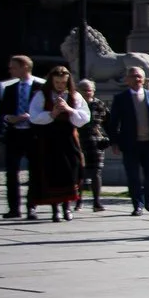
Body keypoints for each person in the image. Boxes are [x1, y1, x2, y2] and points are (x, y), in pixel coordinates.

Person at [25, 65, 92, 221]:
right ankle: (55, 209)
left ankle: (67, 207)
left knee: (71, 171)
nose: (60, 85)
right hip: (49, 140)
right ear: (52, 81)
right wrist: (52, 113)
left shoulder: (74, 96)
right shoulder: (42, 95)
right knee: (53, 173)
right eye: (57, 82)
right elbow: (34, 117)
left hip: (68, 139)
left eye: (63, 82)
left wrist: (69, 109)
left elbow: (84, 118)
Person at [106, 66, 149, 214]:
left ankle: (148, 200)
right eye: (133, 76)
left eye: (139, 76)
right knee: (133, 175)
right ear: (127, 80)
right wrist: (114, 142)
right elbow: (113, 123)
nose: (137, 79)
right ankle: (137, 205)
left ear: (143, 79)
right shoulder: (120, 99)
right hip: (130, 144)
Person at [1, 55, 43, 219]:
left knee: (34, 172)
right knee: (11, 172)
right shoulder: (10, 89)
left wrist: (31, 116)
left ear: (25, 67)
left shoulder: (40, 88)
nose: (10, 70)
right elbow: (2, 112)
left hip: (33, 135)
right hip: (14, 134)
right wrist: (8, 118)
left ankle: (32, 206)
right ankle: (14, 208)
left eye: (14, 67)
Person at [76, 79, 106, 212]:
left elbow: (107, 120)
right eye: (84, 90)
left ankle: (97, 202)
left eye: (90, 90)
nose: (87, 92)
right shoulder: (74, 104)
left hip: (95, 141)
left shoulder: (99, 104)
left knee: (96, 172)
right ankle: (78, 201)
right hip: (78, 140)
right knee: (79, 172)